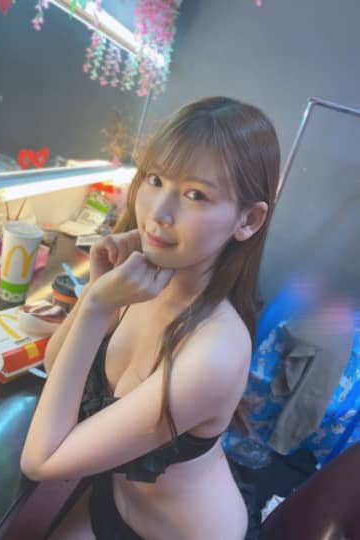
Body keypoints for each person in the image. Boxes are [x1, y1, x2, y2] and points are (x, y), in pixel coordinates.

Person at [21, 96, 280, 540]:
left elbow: (41, 461)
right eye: (155, 179)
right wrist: (98, 290)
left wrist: (98, 305)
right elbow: (55, 363)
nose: (158, 214)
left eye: (196, 194)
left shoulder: (215, 350)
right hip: (114, 501)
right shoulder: (141, 281)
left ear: (249, 220)